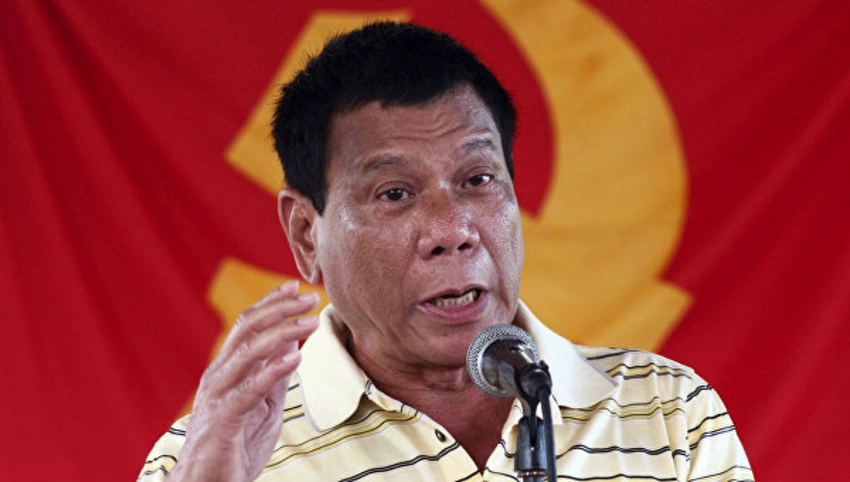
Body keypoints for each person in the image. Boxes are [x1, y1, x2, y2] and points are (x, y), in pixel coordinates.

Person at [139, 22, 753, 481]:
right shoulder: (210, 457)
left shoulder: (670, 412)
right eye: (395, 193)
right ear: (306, 233)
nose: (453, 229)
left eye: (478, 179)